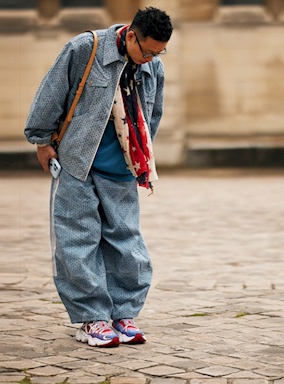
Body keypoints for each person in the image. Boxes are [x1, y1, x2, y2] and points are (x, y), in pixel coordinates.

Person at [23, 7, 173, 348]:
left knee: (127, 243)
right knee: (78, 241)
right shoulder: (85, 48)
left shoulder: (153, 67)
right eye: (147, 51)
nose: (151, 59)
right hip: (78, 163)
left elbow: (154, 113)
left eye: (159, 53)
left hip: (122, 168)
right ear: (131, 35)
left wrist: (141, 156)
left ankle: (124, 314)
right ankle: (92, 318)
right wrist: (41, 141)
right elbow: (52, 93)